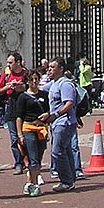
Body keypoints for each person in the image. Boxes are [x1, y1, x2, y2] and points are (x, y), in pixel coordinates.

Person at [44, 58, 79, 192]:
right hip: (57, 122)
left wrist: (56, 114)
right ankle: (71, 179)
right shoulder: (53, 83)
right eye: (49, 67)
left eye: (53, 67)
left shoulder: (65, 84)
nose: (49, 69)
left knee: (57, 151)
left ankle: (66, 180)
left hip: (64, 122)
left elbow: (69, 104)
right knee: (66, 150)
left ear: (61, 69)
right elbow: (40, 89)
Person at [15, 70, 49, 196]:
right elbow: (19, 117)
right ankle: (35, 185)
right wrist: (20, 134)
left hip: (41, 128)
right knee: (33, 158)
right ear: (27, 81)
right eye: (31, 80)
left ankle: (29, 182)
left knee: (39, 157)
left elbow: (49, 110)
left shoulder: (44, 95)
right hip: (28, 128)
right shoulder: (23, 97)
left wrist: (48, 114)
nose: (34, 82)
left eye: (36, 79)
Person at [0, 52, 29, 174]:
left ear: (18, 62)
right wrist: (7, 87)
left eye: (10, 62)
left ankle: (29, 160)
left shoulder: (26, 74)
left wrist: (22, 87)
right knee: (14, 137)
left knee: (26, 135)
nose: (8, 65)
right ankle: (18, 162)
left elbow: (33, 87)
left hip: (24, 105)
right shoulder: (6, 75)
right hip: (10, 105)